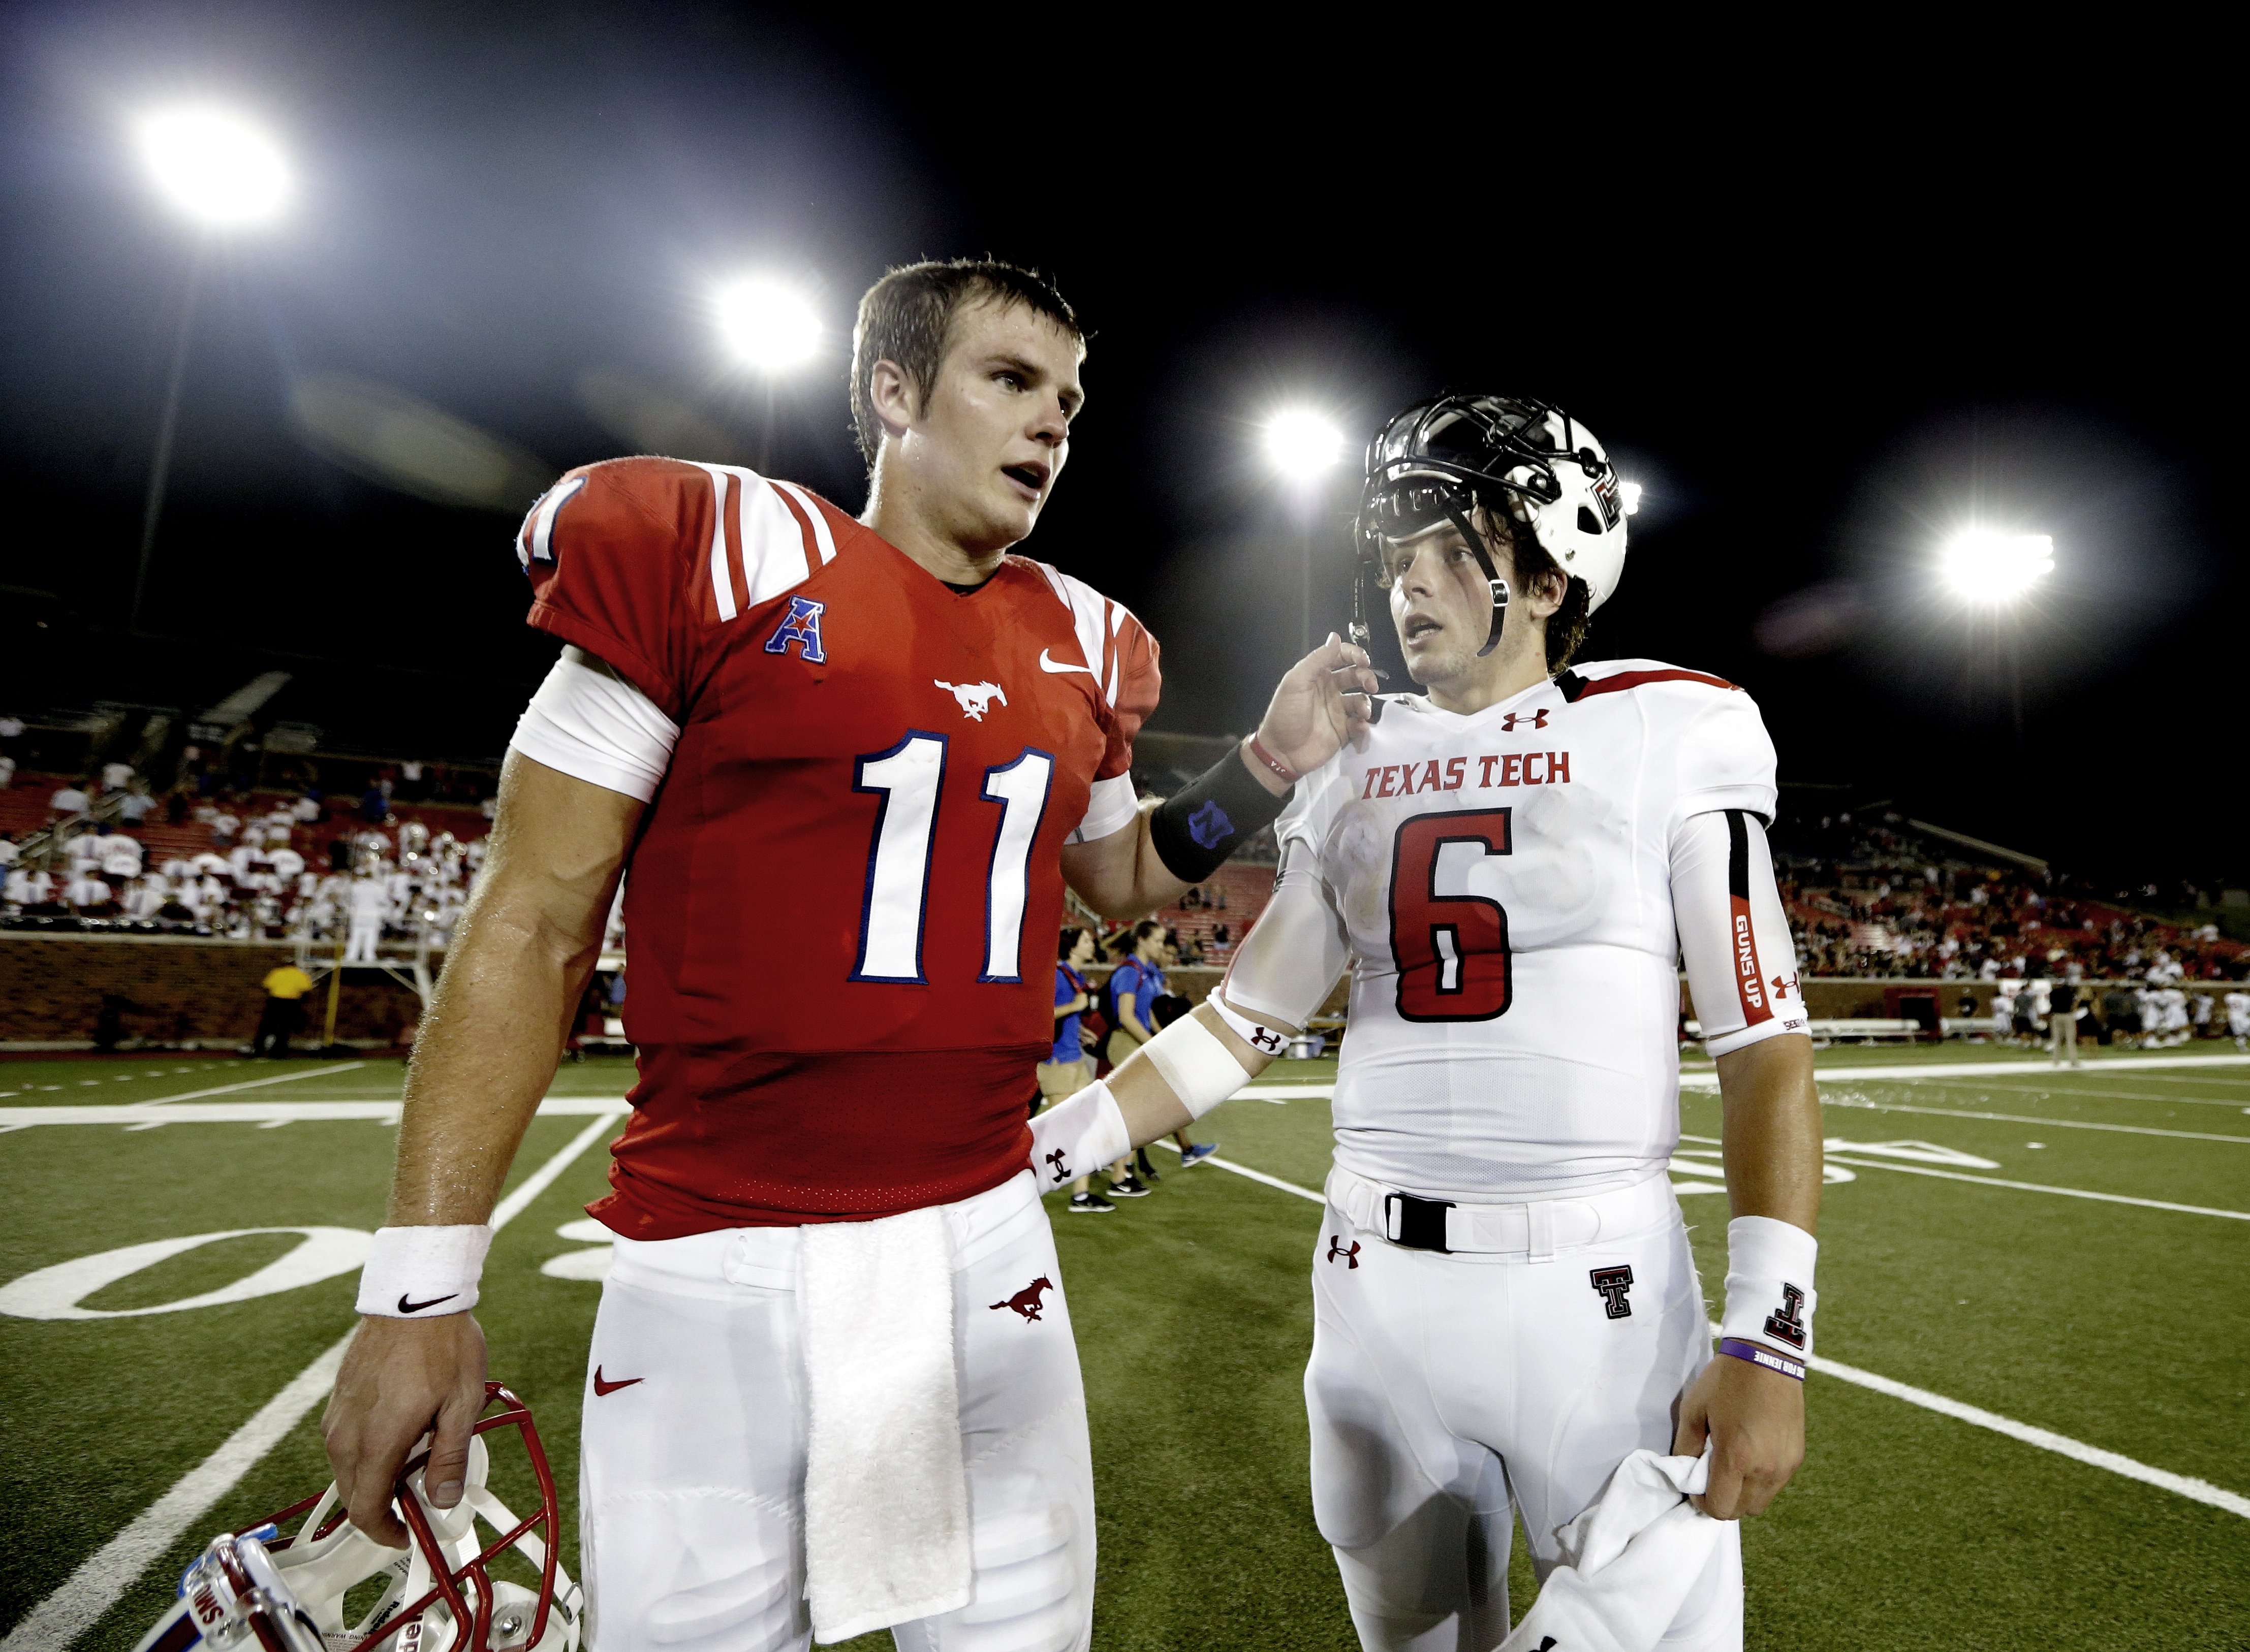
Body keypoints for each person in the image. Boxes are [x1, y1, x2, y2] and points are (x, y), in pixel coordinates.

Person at [321, 258, 1377, 1652]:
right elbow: (530, 917)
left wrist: (1264, 765)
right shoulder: (724, 551)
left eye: (1067, 401)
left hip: (982, 1235)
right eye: (1008, 381)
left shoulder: (1084, 637)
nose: (1051, 423)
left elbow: (1115, 876)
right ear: (892, 392)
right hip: (719, 1249)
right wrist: (418, 1286)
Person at [1029, 393, 1819, 1649]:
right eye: (1398, 558)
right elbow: (1238, 1022)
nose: (1411, 586)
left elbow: (1763, 1048)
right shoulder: (1349, 755)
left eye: (1453, 550)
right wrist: (1034, 1159)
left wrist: (1770, 1338)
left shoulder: (1669, 725)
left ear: (1556, 569)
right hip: (1372, 1292)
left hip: (1595, 1293)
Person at [1039, 928, 1114, 1214]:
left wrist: (1080, 1030)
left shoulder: (1074, 976)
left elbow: (1065, 1015)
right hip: (1057, 1063)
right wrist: (1075, 1006)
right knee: (1065, 1129)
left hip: (1074, 1058)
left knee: (1082, 1124)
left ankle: (1081, 1196)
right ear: (1071, 947)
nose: (1091, 943)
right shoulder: (1058, 976)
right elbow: (1039, 1015)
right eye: (1085, 941)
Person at [256, 960, 316, 1057]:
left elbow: (266, 987)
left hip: (275, 1002)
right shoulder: (300, 975)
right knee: (284, 1029)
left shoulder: (277, 973)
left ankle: (258, 1051)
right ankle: (278, 1053)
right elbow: (306, 991)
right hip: (291, 1002)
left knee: (266, 1027)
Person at [2048, 977, 2079, 1067]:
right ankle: (2073, 1061)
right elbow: (2073, 1004)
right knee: (2070, 1040)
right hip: (2067, 1016)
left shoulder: (2053, 993)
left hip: (2056, 1016)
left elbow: (2051, 1003)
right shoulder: (2069, 993)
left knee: (2057, 1039)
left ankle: (2056, 1061)